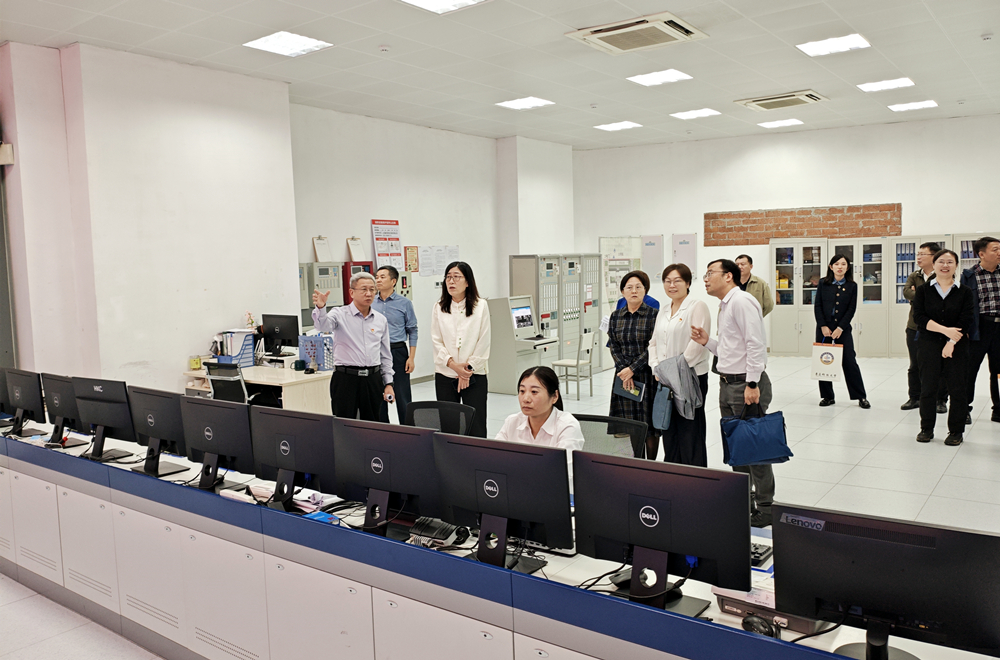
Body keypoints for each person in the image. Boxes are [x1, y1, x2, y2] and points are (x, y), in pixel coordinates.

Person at [691, 259, 774, 528]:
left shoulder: (742, 301)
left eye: (710, 273)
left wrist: (753, 384)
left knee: (754, 449)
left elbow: (755, 343)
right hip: (728, 384)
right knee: (736, 448)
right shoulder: (725, 305)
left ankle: (766, 507)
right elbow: (730, 349)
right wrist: (708, 342)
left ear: (728, 276)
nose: (705, 279)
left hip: (744, 386)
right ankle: (743, 502)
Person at [648, 264, 711, 467]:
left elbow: (697, 345)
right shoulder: (664, 310)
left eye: (677, 281)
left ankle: (694, 477)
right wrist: (656, 367)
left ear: (688, 283)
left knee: (690, 431)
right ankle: (672, 475)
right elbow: (653, 343)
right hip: (665, 380)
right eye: (667, 281)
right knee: (670, 430)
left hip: (690, 377)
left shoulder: (697, 306)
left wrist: (673, 370)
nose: (671, 285)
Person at [312, 272, 394, 421]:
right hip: (346, 379)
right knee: (343, 423)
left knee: (373, 423)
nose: (368, 293)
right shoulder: (339, 314)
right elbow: (322, 326)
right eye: (364, 289)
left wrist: (388, 383)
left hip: (372, 379)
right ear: (351, 292)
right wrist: (321, 307)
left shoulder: (380, 320)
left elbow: (385, 355)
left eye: (372, 289)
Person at [913, 249, 975, 445]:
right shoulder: (923, 290)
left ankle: (956, 431)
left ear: (956, 266)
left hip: (957, 346)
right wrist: (945, 331)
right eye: (941, 261)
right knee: (928, 388)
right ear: (934, 264)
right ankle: (926, 428)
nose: (945, 265)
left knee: (958, 389)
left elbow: (966, 319)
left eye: (950, 262)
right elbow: (919, 317)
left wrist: (951, 342)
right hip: (928, 344)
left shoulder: (965, 291)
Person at [431, 261, 490, 437]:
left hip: (474, 374)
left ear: (468, 282)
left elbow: (484, 340)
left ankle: (477, 454)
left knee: (476, 423)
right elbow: (436, 340)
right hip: (445, 373)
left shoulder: (480, 306)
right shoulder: (439, 307)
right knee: (449, 424)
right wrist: (453, 366)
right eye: (448, 277)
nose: (451, 281)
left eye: (457, 277)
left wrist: (467, 370)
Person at [495, 366, 584, 480]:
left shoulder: (567, 426)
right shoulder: (512, 422)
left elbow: (564, 474)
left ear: (554, 396)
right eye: (522, 391)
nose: (526, 399)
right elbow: (494, 459)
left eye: (534, 392)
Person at [607, 271, 658, 459]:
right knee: (630, 424)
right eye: (629, 287)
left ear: (645, 291)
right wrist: (623, 370)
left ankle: (650, 465)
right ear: (622, 292)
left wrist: (632, 369)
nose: (634, 291)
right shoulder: (616, 316)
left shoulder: (654, 315)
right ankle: (637, 462)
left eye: (638, 287)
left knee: (649, 426)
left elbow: (654, 346)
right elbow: (613, 345)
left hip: (646, 375)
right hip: (623, 377)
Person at [814, 254, 870, 409]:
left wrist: (840, 328)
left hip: (842, 329)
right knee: (824, 361)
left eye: (843, 264)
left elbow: (851, 309)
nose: (840, 267)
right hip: (824, 329)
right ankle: (827, 396)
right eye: (837, 264)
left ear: (848, 267)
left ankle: (860, 396)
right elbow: (817, 305)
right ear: (831, 267)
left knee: (849, 361)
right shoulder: (823, 283)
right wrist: (823, 326)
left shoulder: (852, 286)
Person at [901, 243, 948, 412]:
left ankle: (940, 400)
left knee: (939, 364)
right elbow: (906, 292)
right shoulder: (915, 275)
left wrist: (919, 295)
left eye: (922, 254)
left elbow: (943, 297)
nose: (918, 257)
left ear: (933, 256)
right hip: (914, 327)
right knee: (915, 364)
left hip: (937, 327)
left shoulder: (943, 274)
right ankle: (915, 397)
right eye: (918, 254)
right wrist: (926, 296)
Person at [961, 236, 1000, 424]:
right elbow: (963, 305)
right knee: (970, 369)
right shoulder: (969, 276)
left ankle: (998, 409)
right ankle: (964, 408)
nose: (999, 253)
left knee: (998, 371)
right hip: (979, 327)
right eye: (995, 249)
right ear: (981, 254)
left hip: (999, 328)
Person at [373, 265, 418, 424]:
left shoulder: (404, 303)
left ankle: (407, 431)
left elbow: (412, 330)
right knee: (377, 394)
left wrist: (411, 357)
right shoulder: (370, 302)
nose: (378, 280)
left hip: (397, 351)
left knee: (402, 394)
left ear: (393, 281)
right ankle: (382, 430)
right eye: (377, 277)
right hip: (375, 351)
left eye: (382, 277)